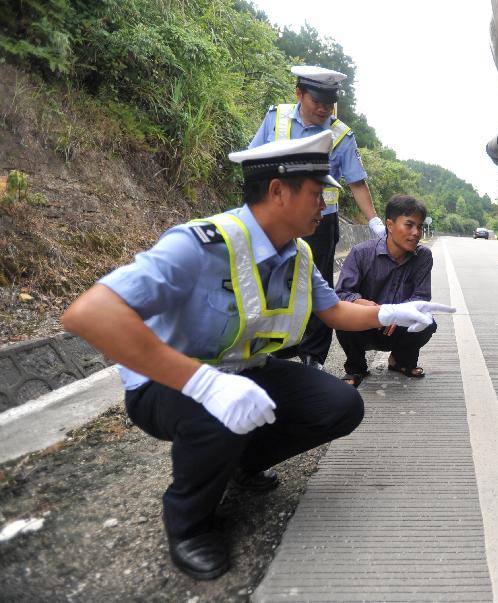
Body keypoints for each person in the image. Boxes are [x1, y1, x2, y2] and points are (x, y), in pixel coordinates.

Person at [61, 132, 453, 581]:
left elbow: (335, 311)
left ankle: (241, 462)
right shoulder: (200, 244)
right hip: (167, 382)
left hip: (246, 369)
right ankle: (189, 523)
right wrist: (204, 383)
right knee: (218, 412)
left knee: (340, 405)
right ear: (277, 191)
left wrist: (389, 312)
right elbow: (89, 313)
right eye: (317, 193)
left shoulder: (299, 253)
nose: (325, 205)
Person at [249, 65, 384, 370]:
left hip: (319, 223)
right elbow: (252, 160)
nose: (324, 109)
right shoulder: (276, 118)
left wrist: (374, 221)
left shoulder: (341, 134)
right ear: (299, 94)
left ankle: (313, 356)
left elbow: (357, 182)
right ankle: (271, 349)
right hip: (274, 219)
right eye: (317, 102)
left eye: (329, 103)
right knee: (270, 280)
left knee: (316, 285)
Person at [335, 195, 437, 387]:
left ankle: (400, 361)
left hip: (398, 327)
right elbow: (342, 294)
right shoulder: (361, 253)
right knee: (341, 315)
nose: (416, 232)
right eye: (409, 225)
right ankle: (356, 367)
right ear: (390, 225)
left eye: (420, 226)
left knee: (427, 321)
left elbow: (421, 298)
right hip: (365, 324)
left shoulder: (423, 256)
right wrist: (374, 309)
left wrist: (396, 314)